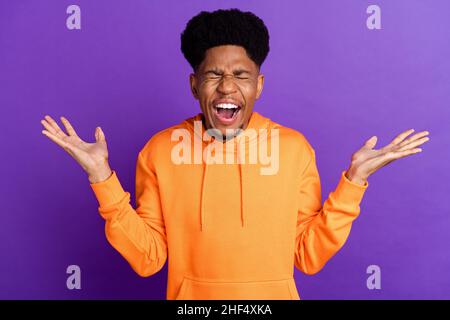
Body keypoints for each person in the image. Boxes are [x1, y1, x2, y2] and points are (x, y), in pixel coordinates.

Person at [41, 8, 430, 300]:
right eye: (213, 75)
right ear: (195, 85)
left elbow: (308, 255)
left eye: (241, 75)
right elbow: (149, 259)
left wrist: (354, 182)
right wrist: (101, 178)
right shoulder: (160, 151)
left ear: (258, 85)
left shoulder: (293, 149)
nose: (227, 87)